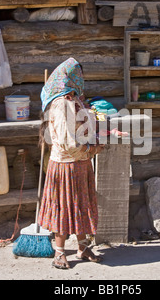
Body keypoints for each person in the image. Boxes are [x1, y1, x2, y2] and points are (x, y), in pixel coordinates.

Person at [38, 57, 104, 269]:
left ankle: (83, 247)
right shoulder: (61, 104)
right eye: (78, 75)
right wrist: (91, 149)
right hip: (66, 165)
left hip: (80, 163)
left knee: (81, 205)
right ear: (70, 78)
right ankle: (59, 253)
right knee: (64, 208)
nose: (81, 79)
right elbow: (68, 142)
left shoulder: (73, 99)